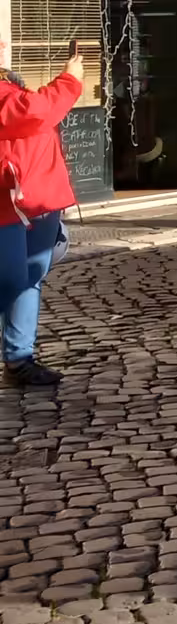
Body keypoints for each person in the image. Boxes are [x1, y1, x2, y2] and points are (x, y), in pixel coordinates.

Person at [1, 38, 84, 387]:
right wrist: (70, 80)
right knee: (11, 278)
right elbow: (33, 112)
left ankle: (20, 359)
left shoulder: (11, 86)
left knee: (29, 278)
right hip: (8, 207)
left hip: (39, 203)